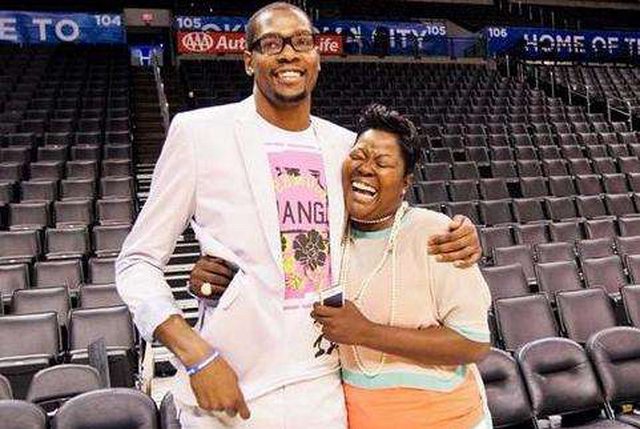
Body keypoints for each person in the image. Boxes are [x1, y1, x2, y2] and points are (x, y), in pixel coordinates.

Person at [116, 3, 482, 429]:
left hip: (323, 387)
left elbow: (383, 220)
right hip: (231, 386)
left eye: (301, 42)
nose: (289, 53)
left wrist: (460, 233)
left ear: (317, 57)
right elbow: (136, 262)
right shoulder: (199, 133)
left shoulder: (344, 147)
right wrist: (195, 355)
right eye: (271, 43)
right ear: (249, 60)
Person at [190, 105, 492, 429]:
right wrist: (211, 282)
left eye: (382, 163)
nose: (366, 168)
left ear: (406, 182)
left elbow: (473, 343)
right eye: (358, 156)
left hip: (450, 420)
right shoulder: (326, 233)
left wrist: (367, 333)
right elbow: (266, 275)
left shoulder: (438, 235)